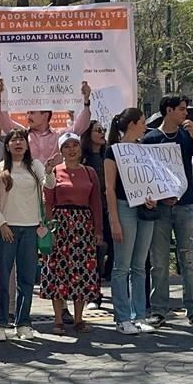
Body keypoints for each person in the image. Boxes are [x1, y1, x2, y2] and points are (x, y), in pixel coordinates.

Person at [143, 95, 193, 328]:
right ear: (169, 111)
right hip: (161, 208)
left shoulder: (186, 136)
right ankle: (159, 309)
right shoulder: (151, 139)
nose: (186, 114)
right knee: (159, 260)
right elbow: (146, 175)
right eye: (182, 109)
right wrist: (159, 196)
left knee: (188, 257)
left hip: (185, 205)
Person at [0, 128, 56, 341]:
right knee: (2, 277)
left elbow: (50, 184)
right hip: (7, 229)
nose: (18, 143)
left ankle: (23, 323)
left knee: (27, 279)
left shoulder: (34, 166)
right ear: (7, 145)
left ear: (27, 145)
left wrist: (49, 170)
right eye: (13, 140)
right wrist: (1, 224)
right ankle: (0, 323)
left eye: (22, 140)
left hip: (30, 228)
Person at [40, 132, 103, 333]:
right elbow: (48, 200)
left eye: (75, 145)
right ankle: (58, 319)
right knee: (58, 270)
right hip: (60, 224)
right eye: (66, 146)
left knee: (82, 269)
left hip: (83, 225)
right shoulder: (54, 172)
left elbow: (96, 203)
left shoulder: (89, 172)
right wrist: (49, 227)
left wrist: (98, 229)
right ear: (61, 151)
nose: (72, 149)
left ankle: (79, 318)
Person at [105, 108, 158, 335]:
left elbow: (152, 179)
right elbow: (109, 188)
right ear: (132, 124)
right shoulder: (113, 152)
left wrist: (153, 198)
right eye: (143, 122)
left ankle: (140, 315)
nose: (145, 126)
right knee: (122, 266)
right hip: (124, 207)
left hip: (144, 209)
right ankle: (122, 317)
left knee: (140, 265)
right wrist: (114, 220)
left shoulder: (145, 149)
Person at [0, 77, 92, 163]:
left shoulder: (59, 136)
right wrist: (0, 98)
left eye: (32, 113)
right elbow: (4, 122)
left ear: (45, 115)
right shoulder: (22, 134)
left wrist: (86, 101)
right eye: (27, 113)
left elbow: (79, 127)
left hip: (53, 182)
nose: (28, 117)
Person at [82, 120, 113, 287]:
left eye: (104, 130)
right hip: (91, 210)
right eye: (97, 130)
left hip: (110, 208)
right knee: (95, 249)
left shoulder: (108, 154)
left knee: (113, 247)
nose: (102, 133)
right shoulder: (83, 158)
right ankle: (94, 289)